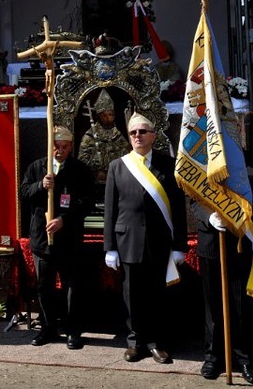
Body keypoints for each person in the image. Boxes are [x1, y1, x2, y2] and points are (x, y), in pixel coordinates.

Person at [103, 112, 187, 364]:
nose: (137, 136)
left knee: (157, 296)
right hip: (128, 241)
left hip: (159, 242)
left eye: (142, 132)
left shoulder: (168, 165)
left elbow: (178, 208)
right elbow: (111, 210)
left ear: (153, 135)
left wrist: (178, 246)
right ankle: (134, 342)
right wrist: (110, 247)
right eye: (133, 133)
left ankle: (156, 343)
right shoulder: (118, 166)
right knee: (132, 295)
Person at [20, 126, 94, 350]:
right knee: (44, 287)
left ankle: (73, 331)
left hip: (68, 238)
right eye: (56, 147)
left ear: (71, 147)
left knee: (72, 286)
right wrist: (39, 186)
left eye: (64, 147)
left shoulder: (80, 170)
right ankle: (47, 328)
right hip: (42, 239)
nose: (59, 151)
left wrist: (64, 219)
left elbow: (86, 202)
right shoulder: (37, 167)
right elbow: (23, 193)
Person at [195, 195, 253, 384]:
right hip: (210, 240)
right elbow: (194, 200)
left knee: (240, 304)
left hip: (241, 241)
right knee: (213, 305)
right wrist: (210, 216)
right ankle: (213, 357)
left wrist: (233, 211)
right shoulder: (202, 163)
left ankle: (243, 358)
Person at [77, 88, 130, 182]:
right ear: (98, 116)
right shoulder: (90, 136)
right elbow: (82, 160)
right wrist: (96, 170)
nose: (108, 118)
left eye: (110, 114)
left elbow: (127, 156)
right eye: (104, 115)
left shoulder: (117, 135)